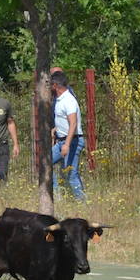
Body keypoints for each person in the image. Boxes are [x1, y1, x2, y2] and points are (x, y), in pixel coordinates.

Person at [50, 69, 86, 202]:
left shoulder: (69, 100)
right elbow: (64, 120)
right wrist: (56, 129)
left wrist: (67, 144)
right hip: (61, 141)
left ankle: (82, 203)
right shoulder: (59, 99)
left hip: (72, 142)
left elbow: (73, 124)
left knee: (71, 174)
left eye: (50, 85)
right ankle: (56, 196)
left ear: (55, 86)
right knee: (46, 164)